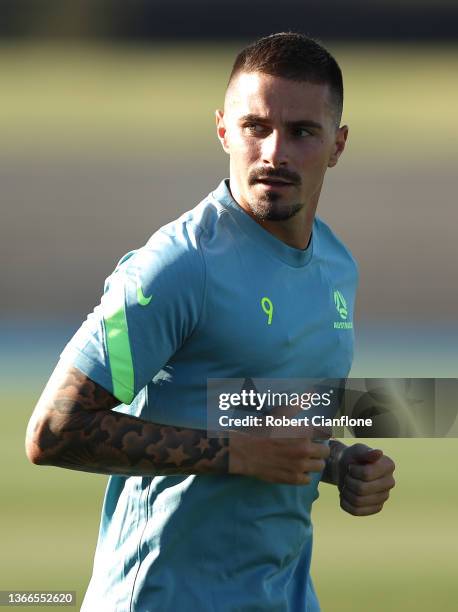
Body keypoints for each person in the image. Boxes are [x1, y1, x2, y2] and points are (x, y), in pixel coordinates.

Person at [26, 33, 395, 612]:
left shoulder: (336, 264)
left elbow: (267, 412)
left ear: (338, 144)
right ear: (224, 130)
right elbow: (54, 429)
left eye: (302, 131)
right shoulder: (174, 267)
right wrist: (235, 454)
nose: (275, 152)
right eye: (256, 127)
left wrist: (339, 464)